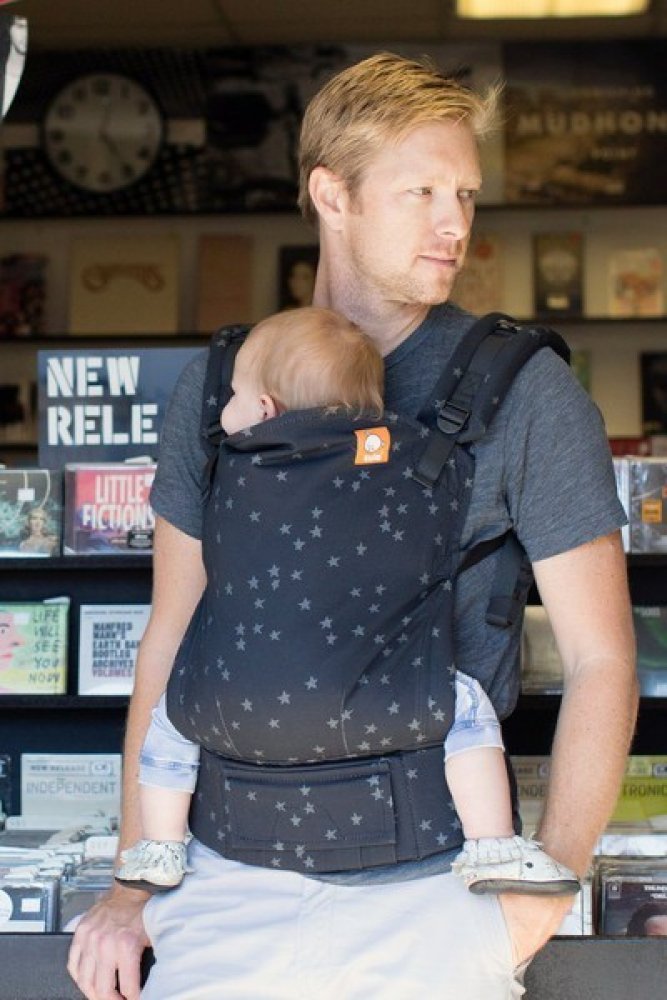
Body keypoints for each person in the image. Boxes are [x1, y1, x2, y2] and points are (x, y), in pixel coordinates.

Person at [69, 52, 638, 1000]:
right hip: (221, 891)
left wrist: (545, 886)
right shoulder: (220, 386)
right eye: (421, 192)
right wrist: (135, 886)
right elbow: (170, 634)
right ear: (331, 195)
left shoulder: (527, 392)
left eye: (464, 194)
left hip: (437, 897)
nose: (455, 223)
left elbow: (601, 657)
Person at [113, 305, 579, 898]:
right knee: (468, 708)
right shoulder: (407, 459)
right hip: (387, 705)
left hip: (232, 705)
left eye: (233, 396)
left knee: (168, 723)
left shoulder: (231, 471)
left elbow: (173, 620)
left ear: (265, 410)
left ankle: (159, 846)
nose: (224, 407)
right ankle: (493, 845)